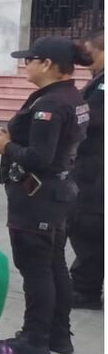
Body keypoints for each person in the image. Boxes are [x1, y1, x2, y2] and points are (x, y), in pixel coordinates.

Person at [0, 36, 91, 354]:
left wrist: (6, 147)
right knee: (53, 264)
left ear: (47, 64)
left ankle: (34, 338)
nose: (26, 64)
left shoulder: (50, 104)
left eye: (30, 59)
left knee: (36, 269)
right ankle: (58, 335)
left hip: (38, 197)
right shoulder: (71, 96)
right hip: (58, 194)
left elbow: (39, 158)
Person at [70, 30, 104, 310]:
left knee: (87, 225)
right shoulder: (98, 81)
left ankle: (85, 289)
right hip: (92, 165)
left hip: (95, 167)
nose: (85, 56)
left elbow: (92, 120)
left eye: (90, 50)